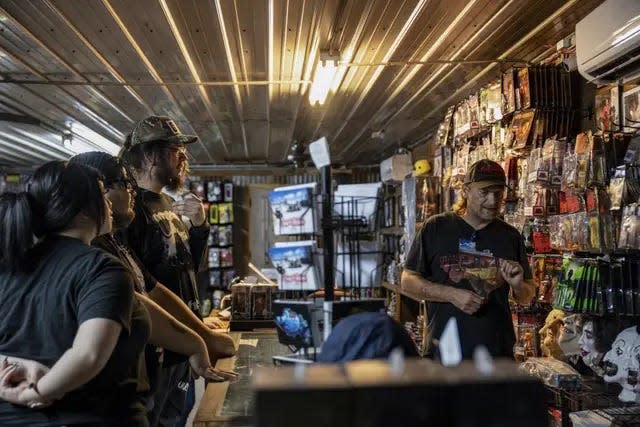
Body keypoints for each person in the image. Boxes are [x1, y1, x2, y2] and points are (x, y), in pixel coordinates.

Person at [69, 152, 236, 390]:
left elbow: (153, 290)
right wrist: (198, 341)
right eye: (125, 184)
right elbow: (134, 304)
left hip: (146, 371)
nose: (132, 191)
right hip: (115, 389)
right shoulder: (90, 254)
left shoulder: (114, 239)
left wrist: (201, 338)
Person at [0, 161, 149, 426]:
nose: (109, 204)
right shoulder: (104, 269)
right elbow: (87, 355)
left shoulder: (12, 262)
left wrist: (14, 366)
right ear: (82, 211)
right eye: (101, 194)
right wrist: (37, 392)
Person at [119, 116, 231, 426]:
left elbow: (187, 267)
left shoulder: (168, 202)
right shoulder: (130, 209)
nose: (183, 157)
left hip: (184, 344)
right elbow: (140, 289)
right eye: (175, 149)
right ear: (151, 154)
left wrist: (199, 227)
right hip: (155, 351)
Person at [401, 159, 535, 360]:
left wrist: (517, 286)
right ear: (465, 191)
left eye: (498, 193)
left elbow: (526, 296)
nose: (492, 201)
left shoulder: (510, 236)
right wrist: (451, 294)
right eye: (484, 192)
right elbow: (407, 282)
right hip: (444, 353)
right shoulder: (436, 228)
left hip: (497, 356)